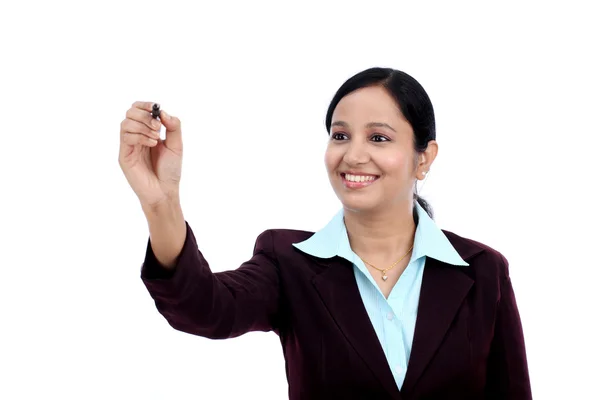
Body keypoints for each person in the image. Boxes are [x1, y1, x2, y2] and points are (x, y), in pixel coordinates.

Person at [119, 67, 532, 399]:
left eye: (378, 137)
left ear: (424, 158)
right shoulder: (288, 261)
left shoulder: (483, 273)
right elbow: (204, 307)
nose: (353, 154)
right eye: (340, 135)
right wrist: (162, 203)